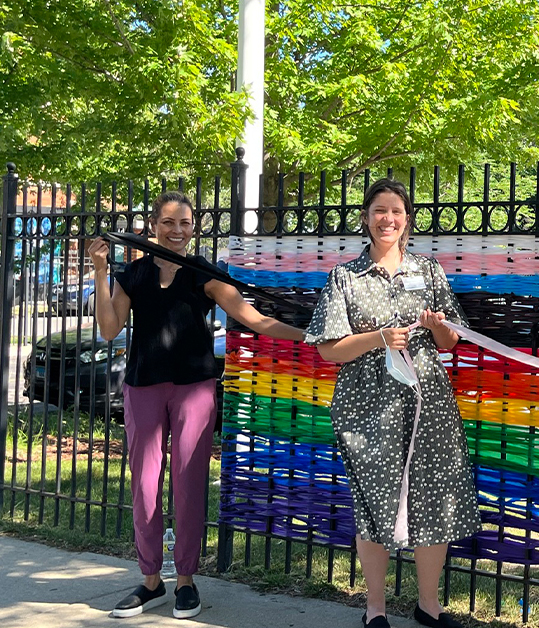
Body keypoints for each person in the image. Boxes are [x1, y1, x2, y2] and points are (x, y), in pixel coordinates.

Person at [87, 191, 306, 619]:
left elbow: (254, 319)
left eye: (185, 223)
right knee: (145, 485)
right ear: (153, 226)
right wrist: (99, 272)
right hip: (143, 386)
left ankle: (186, 580)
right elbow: (110, 329)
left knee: (188, 485)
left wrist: (311, 336)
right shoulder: (133, 273)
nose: (177, 230)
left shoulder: (204, 273)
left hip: (195, 388)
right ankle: (151, 580)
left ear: (194, 228)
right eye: (168, 222)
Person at [305, 179, 480, 628]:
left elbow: (451, 340)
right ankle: (375, 609)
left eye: (397, 211)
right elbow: (328, 348)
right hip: (368, 405)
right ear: (366, 218)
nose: (388, 219)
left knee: (434, 497)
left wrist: (438, 326)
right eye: (379, 210)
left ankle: (428, 606)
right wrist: (379, 338)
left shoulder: (429, 270)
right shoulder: (345, 276)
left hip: (427, 402)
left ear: (407, 219)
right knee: (374, 502)